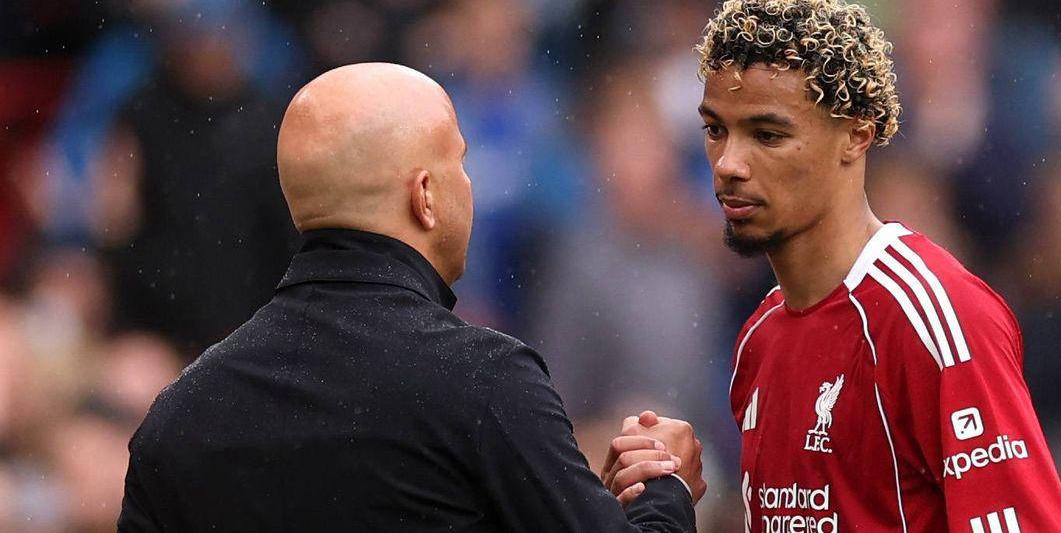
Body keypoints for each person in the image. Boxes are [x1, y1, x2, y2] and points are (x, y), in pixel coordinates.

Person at [116, 63, 704, 532]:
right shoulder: (483, 382)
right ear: (425, 196)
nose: (469, 187)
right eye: (460, 164)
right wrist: (664, 489)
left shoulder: (180, 417)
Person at [604, 0, 1061, 532]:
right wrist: (667, 498)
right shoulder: (758, 340)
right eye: (716, 130)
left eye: (767, 135)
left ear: (856, 135)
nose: (729, 163)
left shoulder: (936, 318)